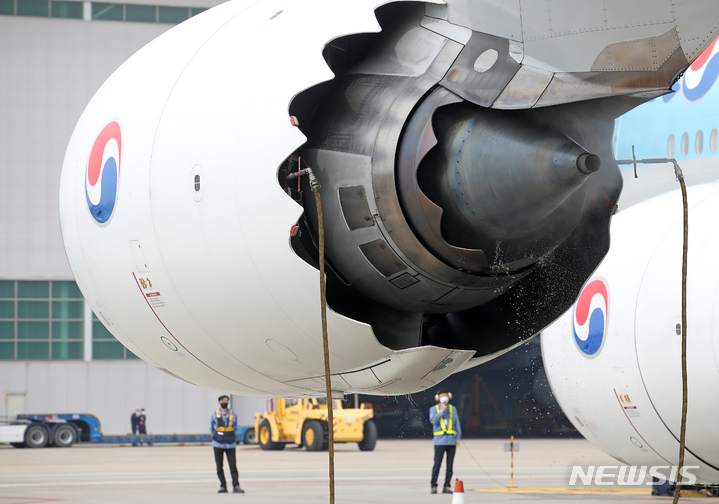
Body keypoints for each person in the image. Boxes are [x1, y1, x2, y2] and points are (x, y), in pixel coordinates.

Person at [429, 388, 461, 494]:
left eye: (446, 395)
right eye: (442, 395)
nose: (444, 397)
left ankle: (447, 486)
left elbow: (457, 424)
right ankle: (434, 485)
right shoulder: (434, 409)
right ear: (438, 398)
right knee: (437, 464)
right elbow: (433, 421)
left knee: (450, 466)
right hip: (439, 442)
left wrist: (458, 438)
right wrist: (441, 412)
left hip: (451, 441)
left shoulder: (453, 409)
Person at [211, 395, 243, 494]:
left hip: (230, 444)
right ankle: (223, 486)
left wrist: (233, 436)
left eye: (226, 401)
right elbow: (211, 428)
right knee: (219, 466)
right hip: (218, 444)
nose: (224, 402)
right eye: (223, 401)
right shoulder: (214, 414)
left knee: (233, 466)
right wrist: (216, 437)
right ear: (219, 402)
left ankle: (236, 486)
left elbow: (236, 427)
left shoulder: (233, 414)